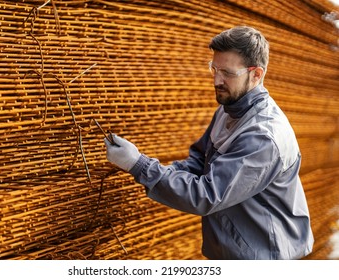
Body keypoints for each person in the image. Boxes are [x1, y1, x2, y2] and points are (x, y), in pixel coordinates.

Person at [103, 26, 314, 259]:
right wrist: (158, 172)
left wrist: (139, 166)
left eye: (227, 72)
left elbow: (207, 194)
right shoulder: (228, 110)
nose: (216, 80)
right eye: (214, 68)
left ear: (256, 74)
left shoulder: (263, 136)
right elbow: (198, 161)